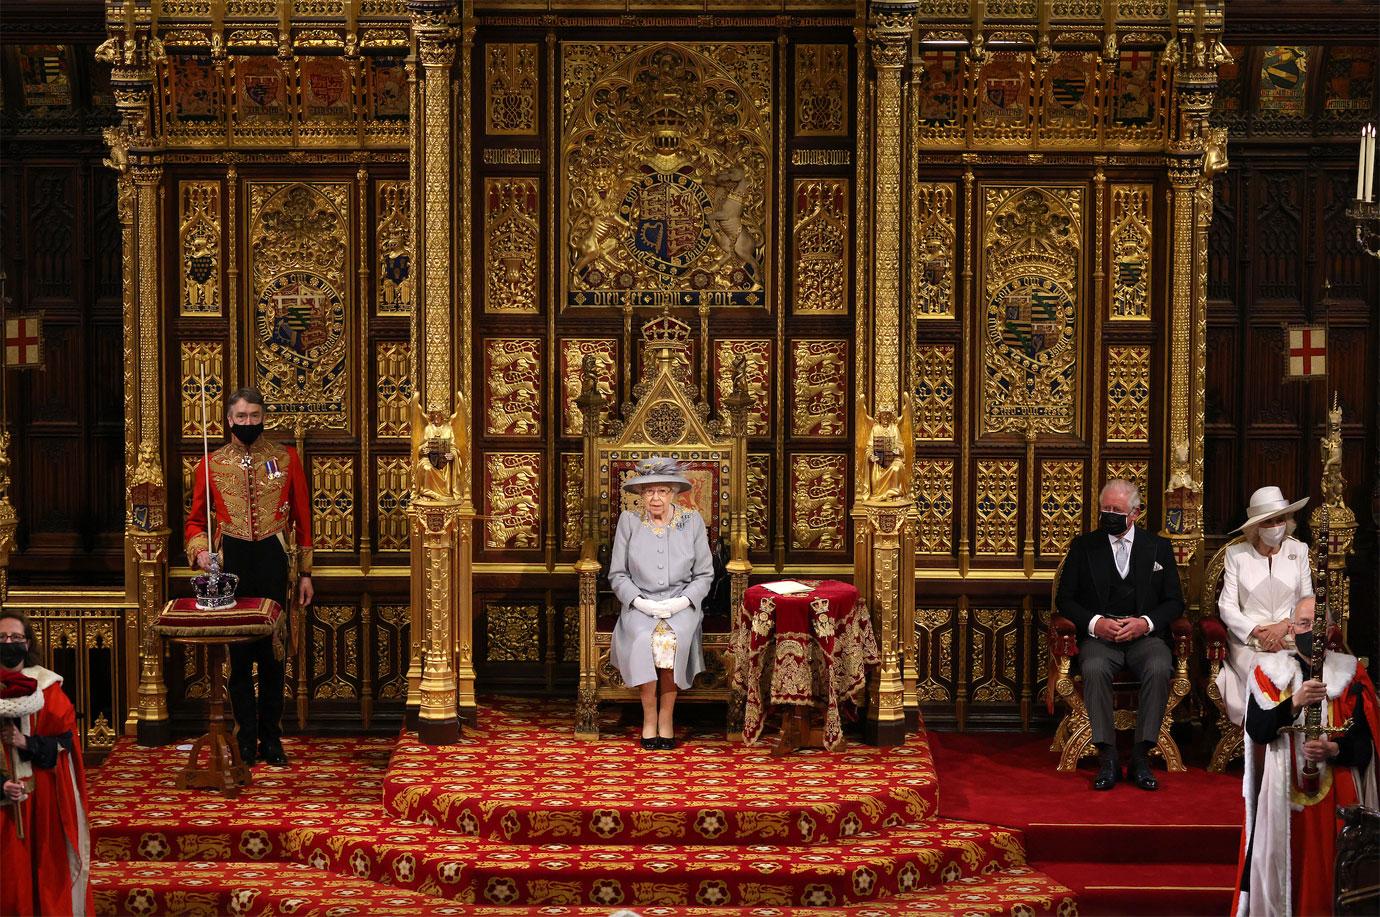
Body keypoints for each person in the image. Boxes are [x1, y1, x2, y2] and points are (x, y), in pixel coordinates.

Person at [185, 387, 313, 767]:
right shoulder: (210, 464)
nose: (248, 423)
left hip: (273, 560)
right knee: (239, 659)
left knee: (274, 658)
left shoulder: (285, 458)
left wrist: (305, 572)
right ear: (228, 419)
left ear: (263, 417)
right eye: (240, 417)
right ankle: (246, 739)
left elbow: (303, 519)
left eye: (254, 416)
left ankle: (272, 739)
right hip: (231, 563)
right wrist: (201, 551)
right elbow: (195, 521)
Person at [1232, 605, 1378, 917]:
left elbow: (1367, 745)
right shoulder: (1268, 672)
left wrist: (1334, 750)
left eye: (1318, 623)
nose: (1310, 629)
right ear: (1292, 628)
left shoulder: (1351, 674)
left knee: (1330, 876)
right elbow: (1258, 731)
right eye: (1303, 622)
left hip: (1336, 801)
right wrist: (1295, 702)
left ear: (1330, 631)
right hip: (1283, 800)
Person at [1055, 479, 1185, 791]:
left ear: (1135, 513)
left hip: (1145, 637)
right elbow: (1065, 599)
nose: (1109, 515)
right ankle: (1108, 756)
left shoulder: (1158, 547)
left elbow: (1175, 601)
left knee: (1158, 666)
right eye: (1105, 509)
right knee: (1095, 668)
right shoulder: (1084, 546)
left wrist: (1146, 622)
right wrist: (1095, 623)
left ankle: (1141, 755)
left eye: (1117, 510)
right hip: (1101, 638)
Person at [608, 457, 714, 750]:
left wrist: (682, 602)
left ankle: (666, 717)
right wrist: (640, 603)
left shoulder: (691, 522)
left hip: (681, 605)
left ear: (673, 493)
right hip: (640, 606)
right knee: (645, 638)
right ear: (641, 495)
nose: (656, 498)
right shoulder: (629, 522)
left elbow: (705, 574)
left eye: (662, 491)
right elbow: (617, 574)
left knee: (671, 640)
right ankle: (649, 717)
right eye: (649, 491)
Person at [0, 610, 93, 916]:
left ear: (28, 644)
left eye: (15, 637)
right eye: (2, 638)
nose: (9, 643)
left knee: (42, 880)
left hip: (40, 803)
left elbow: (66, 745)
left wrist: (25, 743)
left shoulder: (48, 688)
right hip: (3, 804)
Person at [1217, 485, 1313, 724]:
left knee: (1298, 672)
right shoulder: (1237, 555)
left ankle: (1295, 743)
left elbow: (1307, 601)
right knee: (1266, 675)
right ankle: (1264, 740)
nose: (1275, 527)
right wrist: (1258, 632)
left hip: (1291, 637)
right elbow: (1227, 606)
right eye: (1268, 522)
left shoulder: (1298, 550)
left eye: (1279, 520)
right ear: (1255, 527)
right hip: (1248, 642)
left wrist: (1284, 626)